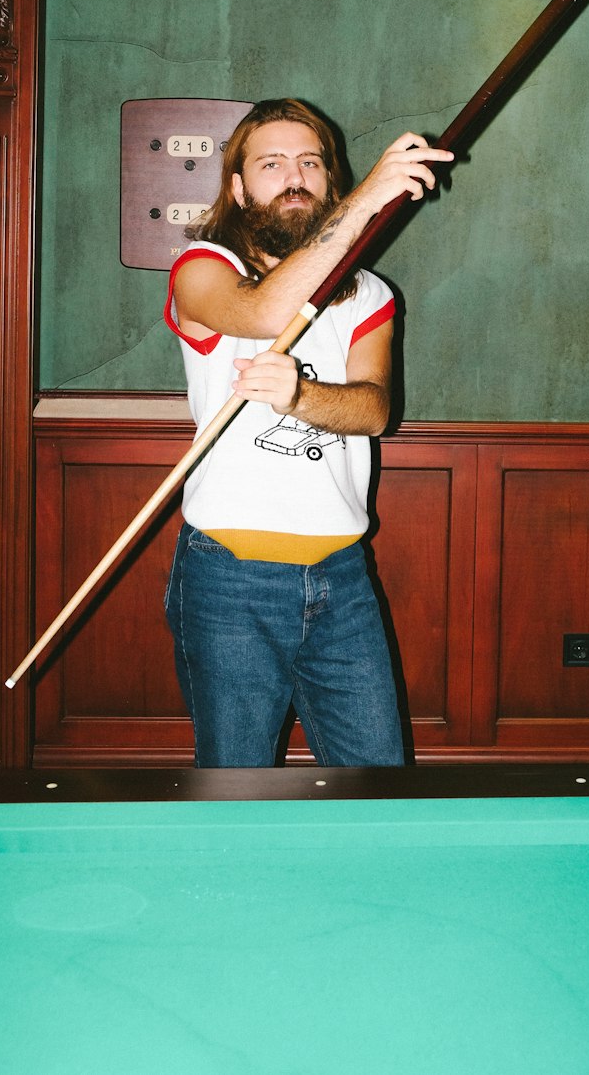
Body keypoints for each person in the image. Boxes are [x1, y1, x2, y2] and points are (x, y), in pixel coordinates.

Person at [163, 98, 453, 767]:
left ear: (330, 178)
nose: (295, 177)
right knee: (235, 788)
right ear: (238, 188)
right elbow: (265, 313)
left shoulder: (370, 295)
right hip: (230, 579)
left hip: (342, 578)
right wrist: (365, 203)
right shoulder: (204, 270)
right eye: (271, 164)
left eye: (310, 162)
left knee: (378, 786)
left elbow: (375, 411)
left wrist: (300, 395)